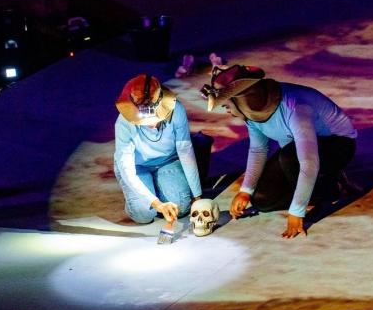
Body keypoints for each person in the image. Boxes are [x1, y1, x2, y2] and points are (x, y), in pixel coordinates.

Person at [200, 65, 358, 238]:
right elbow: (258, 150)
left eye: (226, 106)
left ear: (243, 100)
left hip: (338, 145)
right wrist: (246, 191)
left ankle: (330, 188)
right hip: (297, 152)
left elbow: (309, 162)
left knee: (289, 158)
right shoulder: (251, 113)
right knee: (262, 201)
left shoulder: (295, 107)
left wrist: (297, 212)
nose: (228, 111)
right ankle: (321, 185)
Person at [114, 74, 202, 224]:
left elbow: (185, 151)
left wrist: (198, 196)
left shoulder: (177, 110)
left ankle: (158, 186)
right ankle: (143, 193)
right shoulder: (123, 123)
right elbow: (127, 170)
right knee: (143, 215)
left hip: (167, 161)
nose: (151, 124)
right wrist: (156, 203)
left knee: (181, 207)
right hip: (138, 167)